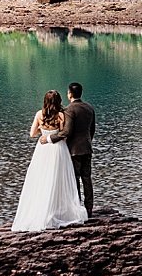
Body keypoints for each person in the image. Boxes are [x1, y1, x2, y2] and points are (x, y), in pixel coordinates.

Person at [11, 90, 88, 231]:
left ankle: (43, 211)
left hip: (42, 150)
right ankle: (59, 211)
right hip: (59, 150)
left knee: (42, 179)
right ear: (58, 101)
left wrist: (43, 132)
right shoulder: (61, 115)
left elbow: (32, 134)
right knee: (59, 179)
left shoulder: (39, 114)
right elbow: (64, 135)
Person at [61, 81, 96, 210]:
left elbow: (67, 131)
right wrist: (88, 141)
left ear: (70, 94)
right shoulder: (89, 107)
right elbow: (92, 129)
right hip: (87, 147)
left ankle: (77, 208)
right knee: (87, 178)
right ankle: (89, 208)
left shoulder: (69, 110)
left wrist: (50, 138)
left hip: (74, 150)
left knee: (74, 179)